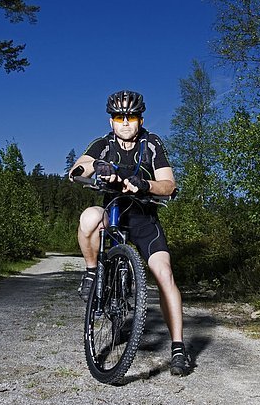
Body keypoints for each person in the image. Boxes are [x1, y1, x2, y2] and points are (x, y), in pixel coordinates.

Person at [68, 90, 191, 376]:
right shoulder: (104, 144)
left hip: (144, 219)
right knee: (88, 217)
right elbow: (77, 168)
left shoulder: (152, 143)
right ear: (111, 121)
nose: (125, 122)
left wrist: (144, 184)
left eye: (131, 117)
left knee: (164, 273)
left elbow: (169, 185)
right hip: (112, 215)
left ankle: (178, 348)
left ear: (140, 119)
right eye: (118, 117)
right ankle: (91, 272)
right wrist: (96, 167)